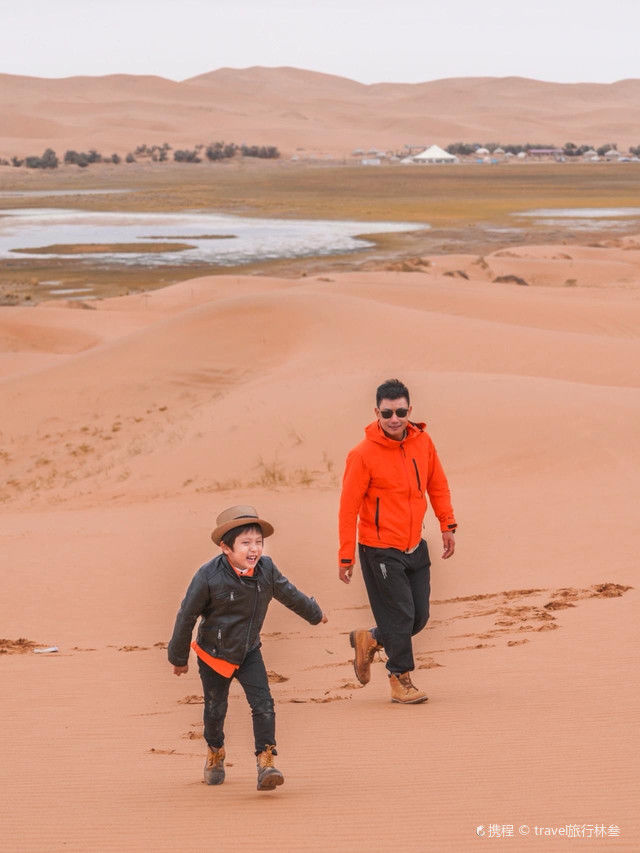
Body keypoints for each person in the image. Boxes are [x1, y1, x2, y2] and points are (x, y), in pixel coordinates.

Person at [168, 505, 327, 790]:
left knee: (263, 704)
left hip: (249, 651)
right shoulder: (207, 576)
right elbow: (186, 615)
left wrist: (314, 613)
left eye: (258, 542)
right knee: (216, 711)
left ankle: (266, 762)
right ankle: (215, 751)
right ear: (225, 548)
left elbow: (288, 593)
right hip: (213, 655)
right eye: (245, 543)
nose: (254, 549)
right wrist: (179, 657)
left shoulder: (266, 570)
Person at [338, 378, 457, 704]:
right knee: (401, 616)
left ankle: (371, 638)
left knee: (418, 617)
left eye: (400, 411)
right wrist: (346, 555)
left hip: (414, 545)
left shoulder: (423, 442)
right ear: (377, 411)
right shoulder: (362, 455)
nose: (394, 418)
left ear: (409, 410)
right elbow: (348, 508)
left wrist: (447, 523)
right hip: (379, 549)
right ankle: (399, 678)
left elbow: (438, 484)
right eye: (388, 412)